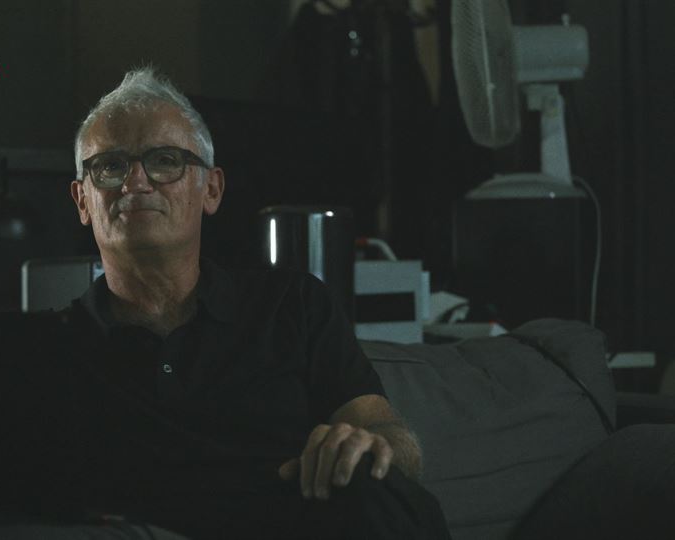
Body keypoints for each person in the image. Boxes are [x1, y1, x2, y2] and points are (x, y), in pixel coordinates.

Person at [56, 66, 450, 540]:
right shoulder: (55, 347)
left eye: (164, 160)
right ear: (83, 201)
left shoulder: (293, 306)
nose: (135, 182)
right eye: (110, 166)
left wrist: (369, 446)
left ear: (212, 189)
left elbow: (393, 442)